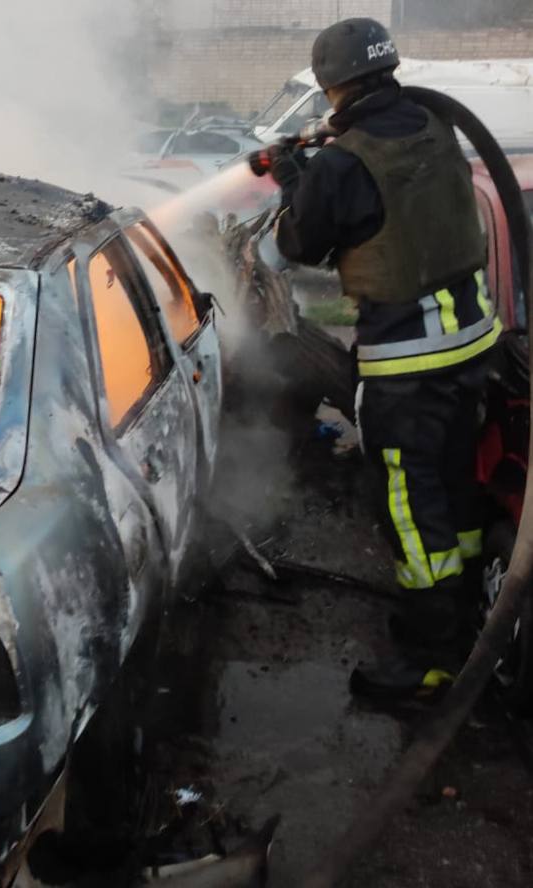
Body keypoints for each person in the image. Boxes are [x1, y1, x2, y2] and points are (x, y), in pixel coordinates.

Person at [268, 18, 501, 701]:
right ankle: (469, 615)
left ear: (330, 84)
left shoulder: (341, 164)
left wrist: (292, 180)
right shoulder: (434, 124)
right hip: (472, 348)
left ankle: (431, 657)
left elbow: (299, 246)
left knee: (408, 505)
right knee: (453, 488)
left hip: (407, 366)